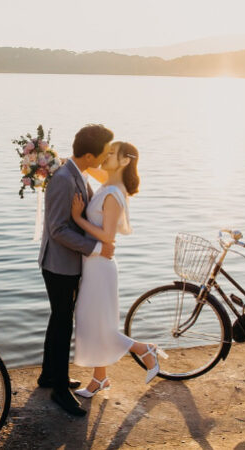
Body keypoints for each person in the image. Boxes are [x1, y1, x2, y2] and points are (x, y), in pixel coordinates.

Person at [70, 141, 167, 398]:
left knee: (98, 325)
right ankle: (99, 379)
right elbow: (89, 168)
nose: (106, 155)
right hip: (93, 264)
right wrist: (60, 160)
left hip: (101, 266)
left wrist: (79, 218)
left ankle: (144, 349)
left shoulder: (114, 194)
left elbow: (108, 237)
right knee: (92, 322)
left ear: (125, 161)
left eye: (112, 153)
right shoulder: (109, 183)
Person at [37, 124, 116, 417]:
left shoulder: (77, 173)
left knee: (59, 320)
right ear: (89, 153)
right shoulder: (63, 179)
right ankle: (59, 389)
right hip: (59, 265)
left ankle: (49, 375)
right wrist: (95, 248)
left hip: (68, 263)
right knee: (62, 324)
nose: (107, 155)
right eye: (105, 151)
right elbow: (57, 229)